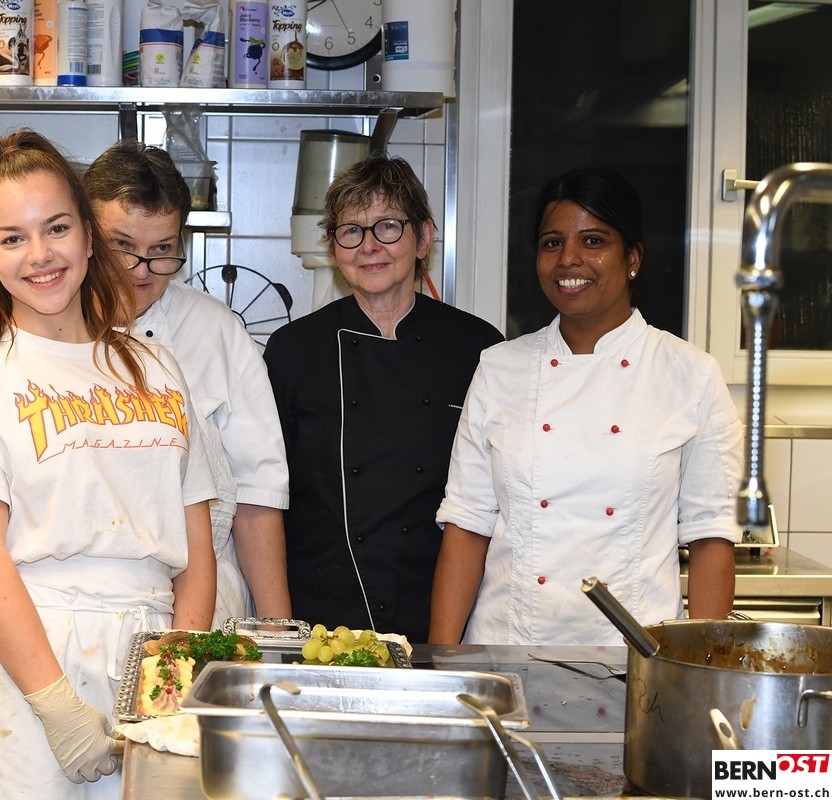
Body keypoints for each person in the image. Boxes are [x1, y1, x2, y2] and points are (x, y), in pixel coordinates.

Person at [0, 130, 216, 799]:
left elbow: (196, 550)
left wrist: (171, 684)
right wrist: (55, 705)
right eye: (13, 237)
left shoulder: (156, 367)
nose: (40, 255)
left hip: (148, 662)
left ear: (88, 236)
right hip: (22, 675)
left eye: (56, 228)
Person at [431, 167, 740, 646]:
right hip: (507, 650)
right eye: (552, 243)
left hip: (635, 657)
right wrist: (442, 665)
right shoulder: (499, 368)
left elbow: (711, 538)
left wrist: (700, 672)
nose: (568, 259)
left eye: (593, 241)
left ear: (632, 258)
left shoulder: (689, 375)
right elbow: (467, 528)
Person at [263, 153, 503, 644]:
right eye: (351, 231)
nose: (369, 246)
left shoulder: (478, 348)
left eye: (388, 226)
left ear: (424, 237)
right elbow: (267, 496)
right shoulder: (293, 351)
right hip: (323, 619)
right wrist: (281, 629)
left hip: (444, 615)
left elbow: (492, 500)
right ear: (334, 248)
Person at [83, 140, 291, 626]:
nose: (142, 271)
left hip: (206, 598)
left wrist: (278, 635)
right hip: (81, 601)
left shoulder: (216, 330)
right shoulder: (46, 329)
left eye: (161, 251)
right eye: (122, 247)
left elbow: (258, 495)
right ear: (85, 234)